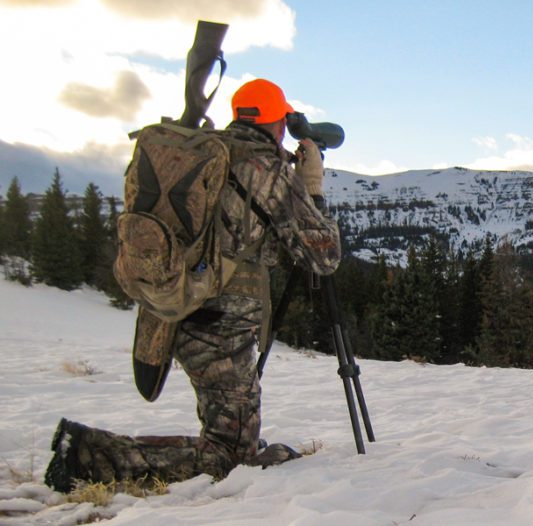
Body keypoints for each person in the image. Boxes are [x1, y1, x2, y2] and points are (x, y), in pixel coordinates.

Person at [44, 79, 341, 492]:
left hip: (180, 310)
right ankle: (85, 455)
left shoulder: (205, 153)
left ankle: (239, 446)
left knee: (234, 438)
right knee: (228, 458)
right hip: (221, 327)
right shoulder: (264, 170)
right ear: (277, 123)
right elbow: (323, 257)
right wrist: (311, 187)